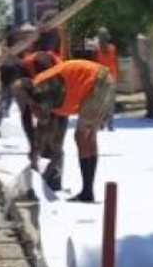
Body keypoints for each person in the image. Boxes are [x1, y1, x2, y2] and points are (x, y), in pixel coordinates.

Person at [20, 54, 115, 203]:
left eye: (28, 102)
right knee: (88, 138)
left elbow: (44, 124)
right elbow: (46, 120)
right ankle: (87, 192)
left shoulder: (41, 88)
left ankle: (87, 193)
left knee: (82, 136)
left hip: (96, 82)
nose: (32, 108)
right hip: (102, 80)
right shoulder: (41, 89)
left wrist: (35, 152)